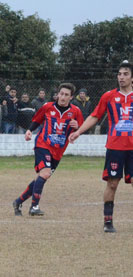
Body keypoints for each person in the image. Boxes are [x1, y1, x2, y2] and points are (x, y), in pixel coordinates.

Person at [70, 61, 133, 233]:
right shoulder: (109, 96)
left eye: (125, 74)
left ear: (132, 77)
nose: (121, 77)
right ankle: (108, 222)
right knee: (112, 184)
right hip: (115, 147)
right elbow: (94, 116)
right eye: (119, 74)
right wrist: (79, 132)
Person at [12, 83, 83, 217]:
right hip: (43, 145)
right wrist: (29, 131)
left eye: (66, 95)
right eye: (61, 94)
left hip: (58, 151)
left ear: (71, 97)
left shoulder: (76, 111)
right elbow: (37, 120)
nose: (62, 97)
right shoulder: (48, 107)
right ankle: (34, 206)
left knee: (41, 178)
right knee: (44, 174)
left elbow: (82, 129)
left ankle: (18, 202)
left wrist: (78, 128)